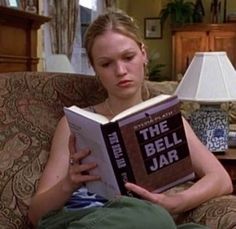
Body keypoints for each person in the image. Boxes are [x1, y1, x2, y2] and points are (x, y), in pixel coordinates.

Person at [28, 9, 233, 229]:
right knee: (154, 220)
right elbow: (36, 213)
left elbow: (221, 179)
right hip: (84, 217)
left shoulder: (169, 119)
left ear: (143, 53)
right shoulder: (74, 124)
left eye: (128, 57)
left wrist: (175, 203)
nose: (120, 70)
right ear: (94, 68)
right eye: (106, 64)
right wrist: (69, 182)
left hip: (147, 217)